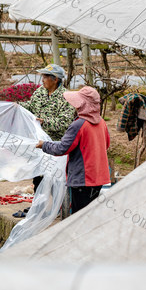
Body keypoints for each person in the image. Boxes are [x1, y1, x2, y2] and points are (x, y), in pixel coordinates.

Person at [34, 86, 111, 215]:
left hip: (83, 179)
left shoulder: (79, 124)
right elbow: (106, 144)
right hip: (98, 177)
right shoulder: (101, 122)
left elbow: (62, 148)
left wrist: (44, 145)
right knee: (90, 214)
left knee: (79, 217)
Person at [18, 64, 75, 195]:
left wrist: (45, 122)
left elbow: (65, 122)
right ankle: (39, 204)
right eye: (42, 76)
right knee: (38, 178)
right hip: (39, 144)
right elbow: (31, 107)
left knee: (55, 180)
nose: (42, 80)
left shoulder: (66, 97)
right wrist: (18, 107)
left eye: (45, 77)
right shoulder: (40, 92)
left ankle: (57, 205)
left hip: (55, 146)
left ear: (56, 79)